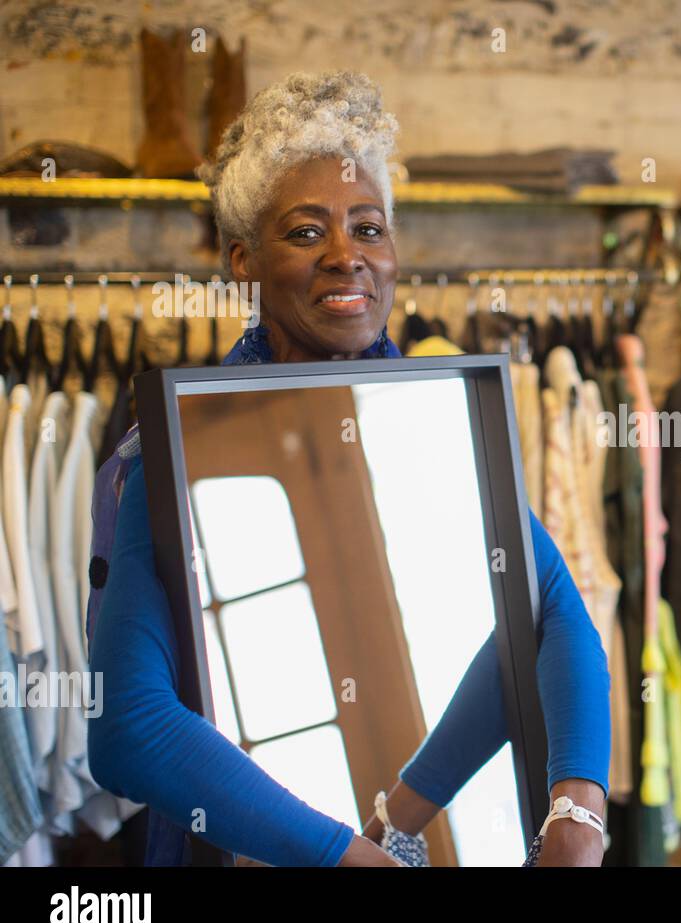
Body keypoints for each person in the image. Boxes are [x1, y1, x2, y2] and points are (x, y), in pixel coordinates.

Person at [86, 71, 611, 867]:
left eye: (368, 228)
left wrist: (573, 807)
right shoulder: (169, 444)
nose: (346, 257)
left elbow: (544, 615)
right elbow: (127, 727)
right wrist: (346, 857)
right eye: (305, 233)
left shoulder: (444, 411)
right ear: (242, 262)